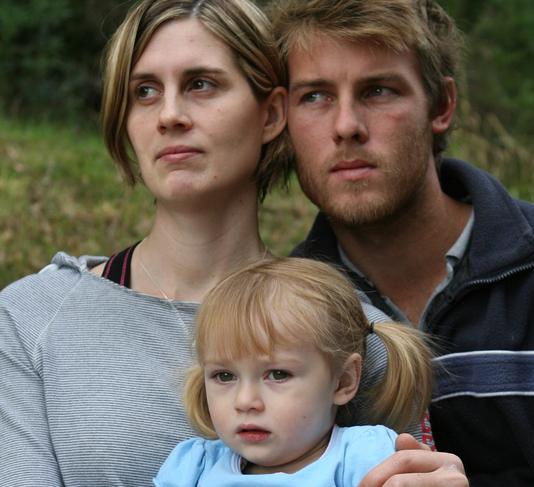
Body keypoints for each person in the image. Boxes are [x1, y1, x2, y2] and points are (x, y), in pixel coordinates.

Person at [0, 1, 468, 486]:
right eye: (144, 92)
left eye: (201, 84)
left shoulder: (349, 328)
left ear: (270, 113)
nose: (171, 115)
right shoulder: (29, 320)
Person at [269, 0, 534, 486]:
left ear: (442, 106)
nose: (346, 125)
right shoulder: (278, 313)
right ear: (283, 119)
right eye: (315, 97)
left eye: (379, 90)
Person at [154, 257, 434, 485]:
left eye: (277, 374)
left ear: (343, 381)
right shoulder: (192, 470)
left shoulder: (363, 461)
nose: (245, 402)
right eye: (224, 376)